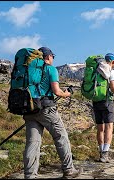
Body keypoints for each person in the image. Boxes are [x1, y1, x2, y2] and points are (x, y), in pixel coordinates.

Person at [23, 47, 82, 179]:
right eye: (52, 56)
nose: (53, 59)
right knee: (61, 137)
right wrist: (67, 94)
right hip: (46, 110)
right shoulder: (50, 69)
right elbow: (57, 91)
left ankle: (29, 175)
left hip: (29, 109)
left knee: (33, 143)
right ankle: (69, 170)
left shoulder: (29, 70)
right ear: (48, 56)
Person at [93, 53, 114, 163]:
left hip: (96, 101)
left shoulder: (96, 70)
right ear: (112, 62)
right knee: (109, 127)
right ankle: (105, 154)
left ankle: (100, 152)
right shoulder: (111, 72)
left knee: (100, 128)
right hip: (107, 102)